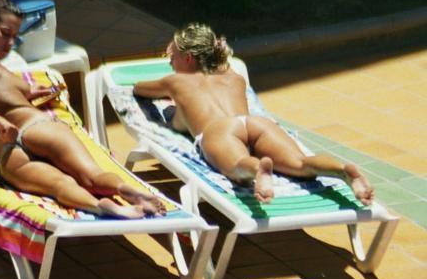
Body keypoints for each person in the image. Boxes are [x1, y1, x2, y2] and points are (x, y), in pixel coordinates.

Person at [0, 0, 164, 218]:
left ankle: (109, 208)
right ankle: (128, 191)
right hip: (37, 127)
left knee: (61, 185)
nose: (10, 43)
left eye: (14, 36)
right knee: (91, 176)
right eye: (4, 33)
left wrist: (29, 93)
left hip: (10, 155)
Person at [133, 22, 374, 205]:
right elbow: (220, 69)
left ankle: (258, 170)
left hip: (219, 130)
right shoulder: (233, 78)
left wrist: (172, 95)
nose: (170, 62)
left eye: (172, 57)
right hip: (256, 124)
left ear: (187, 58)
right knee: (301, 163)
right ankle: (343, 171)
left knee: (238, 165)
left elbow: (139, 89)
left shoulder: (178, 82)